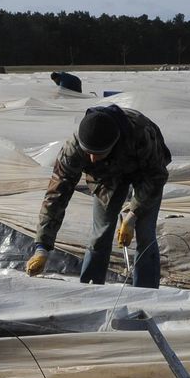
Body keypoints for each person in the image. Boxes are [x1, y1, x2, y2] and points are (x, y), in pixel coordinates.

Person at [25, 105, 170, 288]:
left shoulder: (141, 133)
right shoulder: (74, 148)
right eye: (89, 153)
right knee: (100, 234)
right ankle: (91, 289)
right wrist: (42, 247)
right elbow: (56, 195)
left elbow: (156, 176)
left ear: (113, 143)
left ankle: (146, 291)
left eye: (99, 153)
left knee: (145, 234)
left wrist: (133, 214)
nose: (92, 159)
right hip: (106, 178)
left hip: (145, 174)